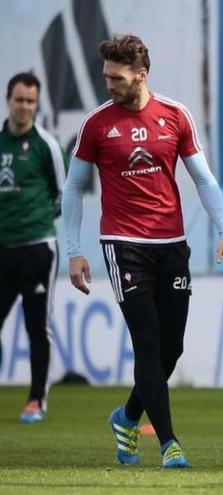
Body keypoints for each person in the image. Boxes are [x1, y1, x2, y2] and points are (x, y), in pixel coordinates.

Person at [62, 35, 223, 468]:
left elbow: (203, 179)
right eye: (105, 76)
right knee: (148, 342)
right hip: (123, 246)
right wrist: (73, 250)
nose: (108, 85)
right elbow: (74, 188)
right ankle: (168, 443)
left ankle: (127, 416)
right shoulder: (97, 125)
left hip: (172, 245)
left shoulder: (176, 116)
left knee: (171, 348)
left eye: (116, 77)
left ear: (141, 75)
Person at [0, 72, 66, 424]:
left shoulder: (47, 146)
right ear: (7, 99)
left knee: (36, 325)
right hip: (2, 250)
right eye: (19, 99)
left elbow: (62, 194)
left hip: (38, 249)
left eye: (30, 101)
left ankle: (36, 400)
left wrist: (35, 221)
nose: (24, 107)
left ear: (37, 105)